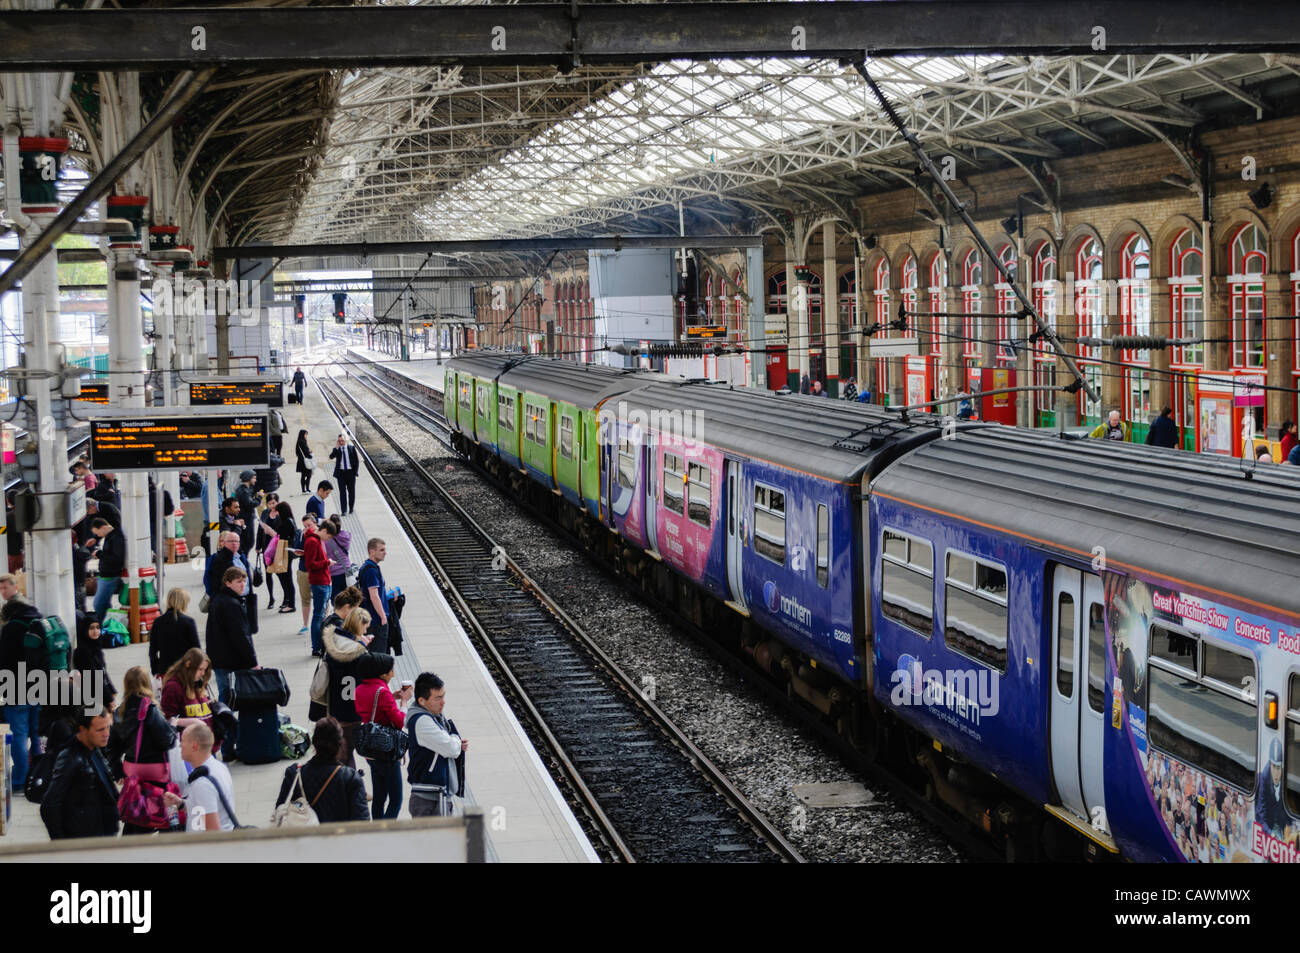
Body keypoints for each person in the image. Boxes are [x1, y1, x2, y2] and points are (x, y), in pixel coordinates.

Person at [107, 666, 177, 834]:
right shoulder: (150, 710)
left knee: (137, 812)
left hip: (132, 770)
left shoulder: (119, 712)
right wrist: (172, 726)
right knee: (165, 810)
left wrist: (117, 772)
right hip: (155, 771)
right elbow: (167, 741)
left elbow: (112, 747)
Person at [40, 708, 118, 840]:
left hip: (101, 835)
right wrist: (62, 845)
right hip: (83, 841)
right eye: (100, 730)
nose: (106, 734)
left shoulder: (95, 749)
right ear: (83, 729)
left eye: (108, 728)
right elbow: (49, 805)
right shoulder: (70, 757)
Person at [275, 717, 369, 823]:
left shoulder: (294, 773)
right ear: (340, 744)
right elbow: (361, 821)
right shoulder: (350, 777)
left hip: (306, 837)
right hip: (340, 837)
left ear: (314, 744)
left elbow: (280, 811)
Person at [355, 652, 410, 820]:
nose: (393, 674)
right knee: (396, 799)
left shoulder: (359, 689)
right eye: (391, 671)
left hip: (370, 751)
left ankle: (377, 827)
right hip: (386, 749)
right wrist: (404, 702)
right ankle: (385, 833)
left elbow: (372, 707)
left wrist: (391, 698)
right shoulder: (382, 692)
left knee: (379, 797)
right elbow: (400, 721)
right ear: (382, 673)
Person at [0, 585, 44, 791]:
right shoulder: (40, 623)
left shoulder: (11, 629)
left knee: (18, 734)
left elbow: (4, 662)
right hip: (40, 686)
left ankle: (20, 779)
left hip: (15, 688)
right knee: (35, 733)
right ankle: (38, 774)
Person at [406, 672, 467, 818]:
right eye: (438, 698)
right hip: (428, 801)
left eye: (443, 696)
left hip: (436, 796)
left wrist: (455, 744)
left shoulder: (435, 718)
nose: (443, 702)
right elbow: (451, 749)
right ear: (422, 701)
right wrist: (455, 740)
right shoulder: (422, 721)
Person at [205, 567, 259, 729]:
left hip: (220, 659)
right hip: (231, 660)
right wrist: (253, 662)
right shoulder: (231, 604)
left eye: (244, 581)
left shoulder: (220, 600)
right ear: (228, 583)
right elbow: (241, 636)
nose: (243, 585)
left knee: (225, 696)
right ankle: (228, 737)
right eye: (238, 582)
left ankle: (226, 737)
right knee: (230, 698)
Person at [320, 591, 368, 761]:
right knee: (346, 749)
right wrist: (361, 644)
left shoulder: (329, 624)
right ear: (348, 608)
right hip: (349, 705)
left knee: (345, 748)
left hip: (337, 701)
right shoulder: (342, 633)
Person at [169, 723, 237, 831]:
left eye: (183, 741)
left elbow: (213, 831)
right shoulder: (219, 767)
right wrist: (181, 804)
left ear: (194, 746)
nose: (180, 745)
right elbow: (202, 808)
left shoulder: (202, 783)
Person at [149, 588, 201, 678]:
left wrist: (155, 670)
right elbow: (196, 649)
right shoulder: (188, 622)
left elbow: (153, 650)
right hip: (185, 670)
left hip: (165, 670)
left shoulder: (158, 622)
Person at [73, 612, 117, 714]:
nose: (95, 631)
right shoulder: (82, 652)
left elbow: (103, 672)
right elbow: (93, 677)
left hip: (101, 693)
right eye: (91, 628)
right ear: (85, 630)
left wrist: (112, 690)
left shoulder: (97, 649)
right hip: (91, 698)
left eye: (98, 627)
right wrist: (109, 697)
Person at [302, 517, 334, 657]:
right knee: (318, 615)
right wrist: (327, 562)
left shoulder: (316, 540)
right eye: (328, 536)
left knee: (321, 615)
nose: (327, 539)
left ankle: (319, 645)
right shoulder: (312, 542)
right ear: (324, 531)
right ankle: (316, 647)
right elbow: (310, 564)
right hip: (319, 582)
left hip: (324, 581)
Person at [88, 516, 126, 623]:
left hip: (110, 576)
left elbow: (116, 558)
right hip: (106, 575)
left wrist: (99, 554)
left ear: (103, 527)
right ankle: (107, 623)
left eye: (97, 532)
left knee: (98, 603)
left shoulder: (116, 538)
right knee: (104, 603)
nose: (97, 535)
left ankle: (102, 624)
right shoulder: (112, 536)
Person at [357, 538, 390, 646]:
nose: (385, 553)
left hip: (370, 617)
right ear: (372, 551)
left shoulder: (367, 566)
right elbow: (374, 596)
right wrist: (383, 616)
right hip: (376, 620)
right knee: (378, 652)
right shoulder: (371, 570)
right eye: (381, 550)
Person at [271, 501, 299, 614]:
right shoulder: (289, 521)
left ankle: (291, 604)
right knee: (286, 577)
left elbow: (280, 536)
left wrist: (272, 532)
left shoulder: (286, 522)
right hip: (286, 552)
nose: (276, 514)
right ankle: (289, 602)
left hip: (285, 552)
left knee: (287, 578)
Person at [257, 492, 281, 608]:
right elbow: (260, 530)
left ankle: (286, 598)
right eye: (270, 503)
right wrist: (258, 546)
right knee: (268, 573)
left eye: (274, 502)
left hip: (278, 548)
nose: (272, 505)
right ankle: (271, 598)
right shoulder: (265, 513)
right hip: (266, 547)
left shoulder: (281, 514)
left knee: (281, 574)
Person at [323, 514, 354, 598]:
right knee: (349, 598)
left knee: (337, 599)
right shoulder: (346, 536)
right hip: (347, 569)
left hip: (334, 572)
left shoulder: (326, 540)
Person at [329, 435, 359, 516]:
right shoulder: (337, 450)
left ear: (345, 440)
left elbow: (356, 461)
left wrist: (355, 472)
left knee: (351, 492)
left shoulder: (351, 448)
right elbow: (331, 457)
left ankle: (351, 508)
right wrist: (336, 448)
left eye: (342, 440)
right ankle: (343, 510)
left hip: (350, 473)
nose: (341, 442)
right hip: (341, 474)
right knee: (342, 493)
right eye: (339, 441)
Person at [234, 470, 261, 554]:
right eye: (254, 478)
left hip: (246, 519)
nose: (255, 480)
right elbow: (250, 504)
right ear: (248, 478)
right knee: (248, 542)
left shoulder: (244, 490)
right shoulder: (244, 491)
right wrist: (259, 498)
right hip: (246, 519)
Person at [295, 429, 314, 493]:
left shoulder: (299, 442)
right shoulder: (302, 442)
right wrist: (310, 455)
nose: (306, 436)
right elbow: (306, 452)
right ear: (303, 434)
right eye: (305, 434)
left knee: (303, 475)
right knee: (308, 475)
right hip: (305, 462)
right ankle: (307, 489)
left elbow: (298, 452)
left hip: (301, 461)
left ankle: (304, 490)